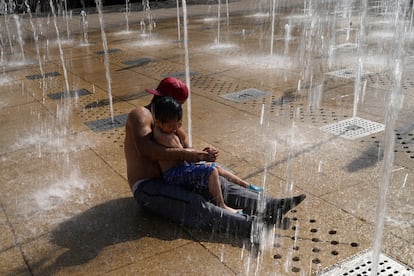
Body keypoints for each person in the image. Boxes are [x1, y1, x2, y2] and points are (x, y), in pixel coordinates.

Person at [124, 76, 306, 238]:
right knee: (194, 203)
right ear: (166, 100)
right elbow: (146, 150)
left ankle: (268, 205)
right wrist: (191, 155)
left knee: (217, 179)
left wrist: (204, 154)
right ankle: (249, 226)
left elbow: (186, 149)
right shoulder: (141, 114)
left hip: (176, 176)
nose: (180, 110)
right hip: (149, 186)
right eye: (179, 105)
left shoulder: (169, 119)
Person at [152, 96, 264, 214]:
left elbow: (187, 146)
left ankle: (247, 186)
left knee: (216, 167)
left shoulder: (170, 129)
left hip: (183, 167)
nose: (175, 128)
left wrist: (204, 152)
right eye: (171, 126)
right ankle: (222, 206)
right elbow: (183, 154)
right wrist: (203, 155)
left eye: (178, 124)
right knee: (210, 170)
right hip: (173, 175)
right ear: (158, 123)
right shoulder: (162, 136)